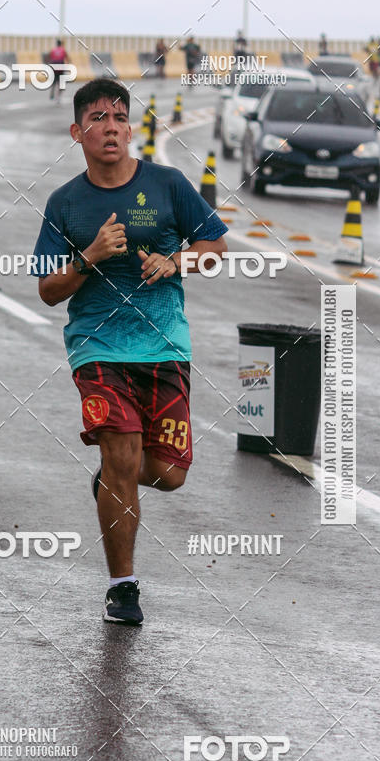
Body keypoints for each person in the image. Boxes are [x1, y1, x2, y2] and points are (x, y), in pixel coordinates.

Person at [32, 79, 228, 625]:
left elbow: (215, 247)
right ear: (78, 133)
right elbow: (48, 290)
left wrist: (175, 262)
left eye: (120, 117)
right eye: (98, 119)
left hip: (164, 345)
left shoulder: (168, 185)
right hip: (97, 347)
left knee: (168, 473)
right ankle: (123, 589)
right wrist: (90, 256)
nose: (111, 127)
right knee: (121, 452)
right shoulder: (64, 203)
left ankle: (109, 482)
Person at [47, 38, 69, 102]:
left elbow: (49, 58)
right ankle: (58, 96)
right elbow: (67, 58)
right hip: (60, 66)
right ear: (61, 44)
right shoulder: (63, 50)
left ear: (56, 44)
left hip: (54, 66)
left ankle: (52, 93)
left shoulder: (53, 50)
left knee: (54, 81)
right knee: (61, 82)